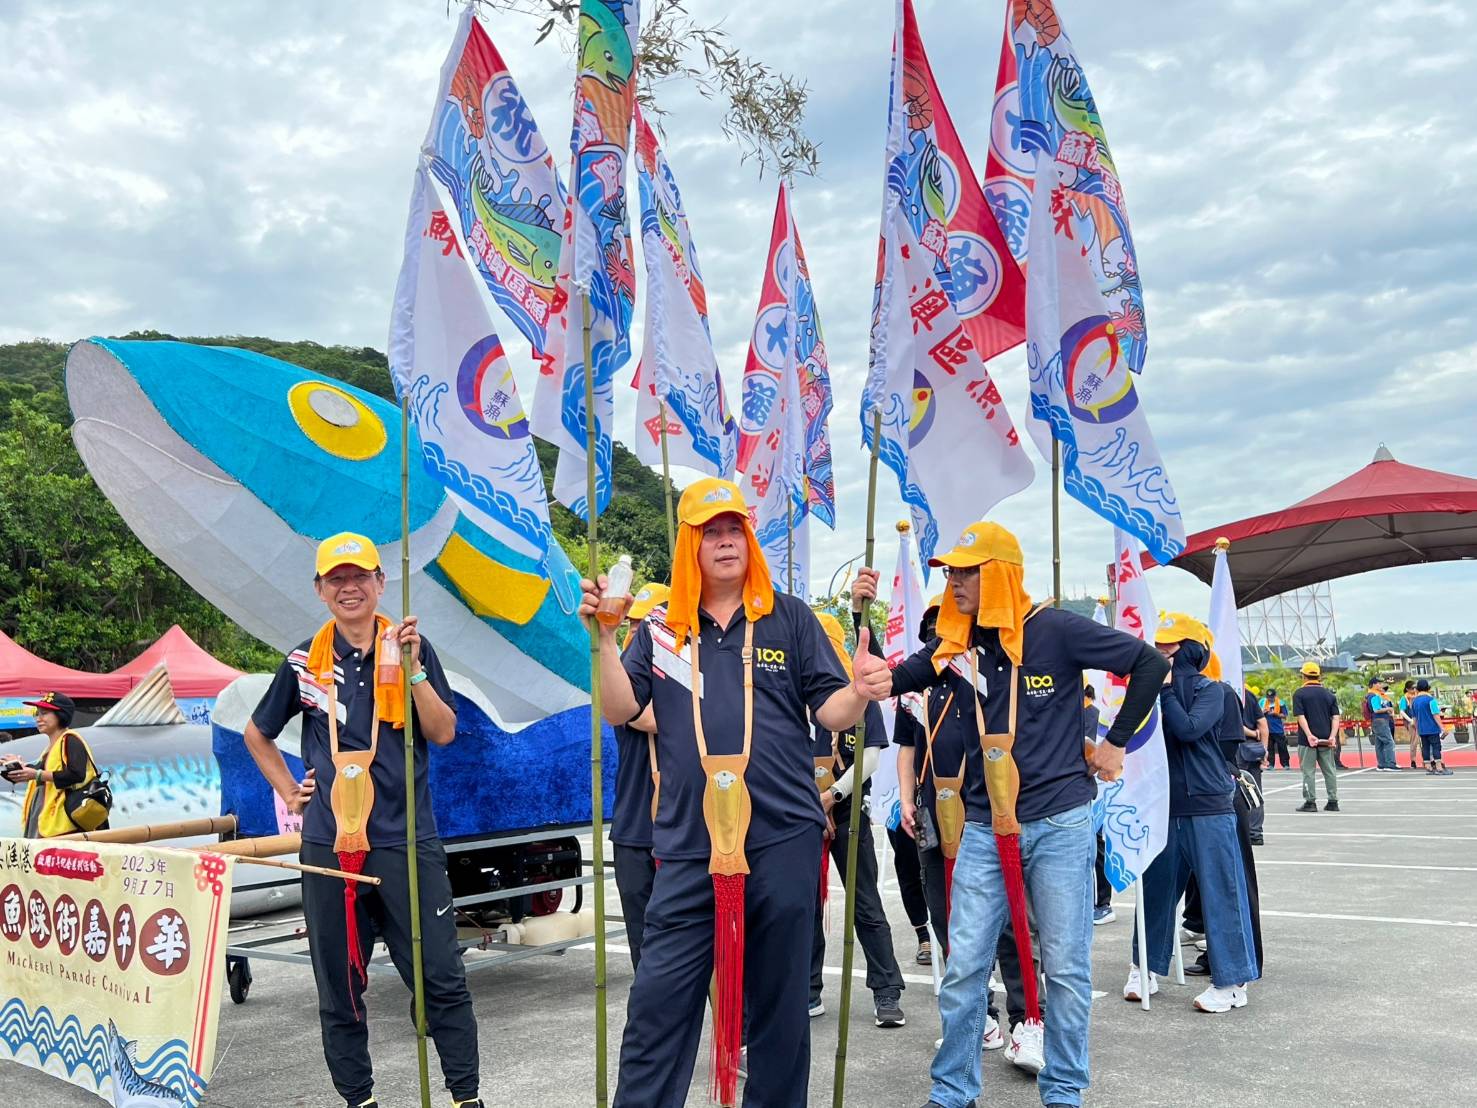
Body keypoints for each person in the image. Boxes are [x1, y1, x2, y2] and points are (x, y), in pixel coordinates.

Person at [583, 477, 891, 1108]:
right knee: (659, 1003)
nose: (725, 543)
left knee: (780, 1004)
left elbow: (828, 712)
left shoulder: (788, 616)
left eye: (734, 531)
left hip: (782, 834)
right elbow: (622, 708)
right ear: (690, 547)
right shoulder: (665, 629)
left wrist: (859, 691)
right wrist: (606, 640)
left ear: (749, 540)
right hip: (690, 842)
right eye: (710, 533)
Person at [876, 521, 1168, 1108]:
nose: (954, 583)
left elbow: (1149, 665)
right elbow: (896, 678)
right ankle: (953, 1090)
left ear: (1000, 576)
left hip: (1061, 822)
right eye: (952, 572)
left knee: (1064, 969)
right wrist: (867, 672)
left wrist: (1114, 742)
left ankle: (1064, 1092)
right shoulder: (958, 647)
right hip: (984, 826)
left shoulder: (1056, 630)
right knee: (963, 968)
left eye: (966, 572)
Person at [243, 532, 482, 1108]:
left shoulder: (408, 646)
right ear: (320, 589)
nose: (349, 588)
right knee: (339, 983)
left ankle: (465, 1097)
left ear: (380, 582)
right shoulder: (304, 662)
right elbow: (258, 733)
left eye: (360, 577)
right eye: (337, 579)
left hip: (404, 838)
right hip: (329, 844)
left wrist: (417, 669)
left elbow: (444, 732)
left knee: (439, 975)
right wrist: (290, 791)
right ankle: (358, 1098)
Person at [890, 594, 1013, 1056]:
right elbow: (907, 749)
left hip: (980, 812)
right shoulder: (915, 692)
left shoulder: (981, 679)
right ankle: (977, 1017)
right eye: (931, 631)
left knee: (991, 919)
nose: (937, 637)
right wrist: (905, 799)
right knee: (943, 913)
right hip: (929, 811)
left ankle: (1020, 1015)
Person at [1126, 615, 1259, 1013]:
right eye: (1160, 645)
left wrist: (1165, 691)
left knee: (1221, 891)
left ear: (1191, 650)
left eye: (1171, 645)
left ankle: (1233, 981)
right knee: (1154, 891)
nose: (1163, 651)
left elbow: (1189, 728)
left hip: (1209, 806)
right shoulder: (1148, 690)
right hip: (1163, 805)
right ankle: (1144, 966)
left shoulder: (1213, 691)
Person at [808, 612, 907, 1027]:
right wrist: (812, 802)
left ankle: (886, 990)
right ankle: (807, 988)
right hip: (803, 809)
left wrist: (832, 796)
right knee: (802, 904)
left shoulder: (858, 689)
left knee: (863, 899)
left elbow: (869, 756)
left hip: (846, 809)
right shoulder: (796, 689)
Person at [612, 582, 670, 969]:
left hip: (684, 835)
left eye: (648, 625)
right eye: (632, 625)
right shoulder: (620, 680)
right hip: (634, 829)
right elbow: (639, 715)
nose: (637, 634)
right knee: (644, 949)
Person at [7, 692, 105, 839]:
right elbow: (42, 773)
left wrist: (37, 774)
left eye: (45, 713)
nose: (39, 719)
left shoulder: (71, 740)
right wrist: (21, 767)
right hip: (49, 821)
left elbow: (76, 774)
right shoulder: (52, 746)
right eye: (37, 714)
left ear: (61, 715)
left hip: (65, 823)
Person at [1084, 686, 1114, 926]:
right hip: (1088, 789)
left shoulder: (1093, 714)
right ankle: (1100, 902)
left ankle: (1102, 903)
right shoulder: (1086, 712)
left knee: (1096, 846)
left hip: (1095, 789)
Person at [1293, 662, 1341, 812]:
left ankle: (1310, 801)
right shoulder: (1329, 694)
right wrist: (1332, 736)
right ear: (1319, 676)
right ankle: (1333, 801)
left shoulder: (1299, 694)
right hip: (1326, 737)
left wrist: (1309, 735)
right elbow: (1335, 717)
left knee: (1308, 771)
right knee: (1329, 770)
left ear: (1303, 676)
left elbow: (1301, 717)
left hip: (1307, 740)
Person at [1239, 684, 1268, 843]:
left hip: (1237, 748)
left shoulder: (1224, 692)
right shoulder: (1249, 695)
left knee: (1237, 792)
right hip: (1254, 749)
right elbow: (1263, 724)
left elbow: (1235, 724)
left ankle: (1241, 832)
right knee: (1254, 791)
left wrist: (1250, 732)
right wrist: (1264, 749)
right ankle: (1256, 832)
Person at [1411, 679, 1453, 775]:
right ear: (1428, 688)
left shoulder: (1414, 702)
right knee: (1436, 747)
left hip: (1422, 729)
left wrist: (1417, 729)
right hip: (1432, 728)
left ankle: (1429, 767)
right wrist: (1442, 728)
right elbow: (1435, 715)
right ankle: (1439, 768)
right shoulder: (1431, 700)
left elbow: (1414, 719)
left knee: (1425, 747)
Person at [1364, 677, 1399, 771]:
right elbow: (1376, 709)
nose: (1381, 685)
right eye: (1379, 683)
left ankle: (1382, 764)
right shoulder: (1374, 695)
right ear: (1373, 685)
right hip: (1380, 720)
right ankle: (1390, 763)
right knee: (1389, 741)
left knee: (1379, 743)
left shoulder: (1374, 695)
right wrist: (1388, 709)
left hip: (1378, 721)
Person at [1398, 680, 1425, 770]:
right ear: (1407, 689)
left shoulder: (1417, 696)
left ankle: (1426, 759)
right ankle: (1413, 760)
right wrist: (1410, 721)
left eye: (1415, 688)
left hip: (1420, 720)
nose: (1414, 689)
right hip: (1411, 721)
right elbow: (1402, 711)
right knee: (1414, 741)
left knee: (1423, 740)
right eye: (1412, 688)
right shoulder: (1404, 698)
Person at [1262, 687, 1290, 769]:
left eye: (1271, 697)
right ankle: (1270, 764)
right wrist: (1263, 712)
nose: (1270, 699)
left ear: (1275, 696)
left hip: (1278, 729)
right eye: (1268, 697)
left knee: (1282, 747)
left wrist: (1275, 713)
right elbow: (1258, 714)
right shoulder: (1263, 702)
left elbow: (1285, 716)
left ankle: (1285, 764)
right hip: (1267, 729)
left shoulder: (1281, 703)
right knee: (1269, 748)